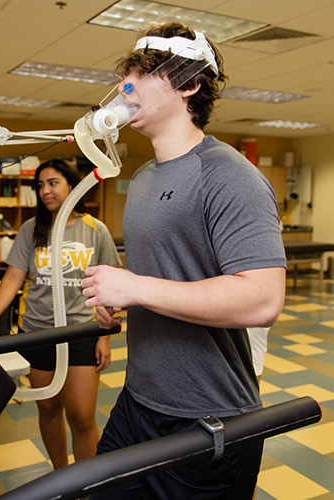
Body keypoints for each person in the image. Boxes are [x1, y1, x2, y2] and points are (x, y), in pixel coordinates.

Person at [80, 22, 287, 499]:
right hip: (139, 402)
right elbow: (170, 277)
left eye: (143, 72)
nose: (126, 85)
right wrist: (123, 297)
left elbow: (262, 299)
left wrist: (135, 288)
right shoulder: (144, 179)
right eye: (126, 71)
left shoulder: (230, 175)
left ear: (189, 84)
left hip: (208, 417)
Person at [0, 159, 122, 469]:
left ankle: (85, 483)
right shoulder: (31, 229)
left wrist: (103, 337)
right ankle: (61, 477)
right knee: (48, 409)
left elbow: (109, 286)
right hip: (37, 332)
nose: (45, 191)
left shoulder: (95, 229)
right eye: (40, 185)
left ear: (72, 186)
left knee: (82, 416)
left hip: (79, 332)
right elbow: (13, 278)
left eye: (53, 183)